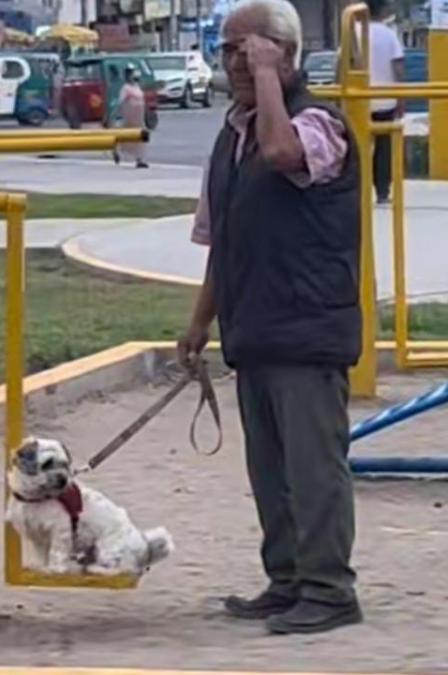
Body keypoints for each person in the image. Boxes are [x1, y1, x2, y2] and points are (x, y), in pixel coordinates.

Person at [177, 0, 363, 635]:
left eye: (247, 50)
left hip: (307, 327)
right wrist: (200, 321)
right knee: (272, 471)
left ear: (284, 55)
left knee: (314, 471)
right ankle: (287, 579)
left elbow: (286, 155)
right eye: (228, 50)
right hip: (254, 328)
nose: (233, 61)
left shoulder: (317, 124)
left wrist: (265, 82)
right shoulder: (232, 135)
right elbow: (219, 236)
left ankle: (330, 589)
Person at [366, 0, 404, 204]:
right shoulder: (389, 34)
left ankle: (359, 188)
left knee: (359, 146)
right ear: (382, 10)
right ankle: (382, 192)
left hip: (359, 99)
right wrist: (400, 97)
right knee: (384, 148)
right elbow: (397, 66)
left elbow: (341, 65)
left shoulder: (352, 31)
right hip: (385, 100)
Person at [114, 65, 149, 169]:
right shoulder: (125, 88)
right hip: (130, 117)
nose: (132, 76)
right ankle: (117, 151)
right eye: (130, 74)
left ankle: (140, 159)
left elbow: (142, 100)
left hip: (139, 116)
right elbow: (120, 102)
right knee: (127, 137)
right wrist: (118, 115)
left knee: (141, 137)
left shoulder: (137, 87)